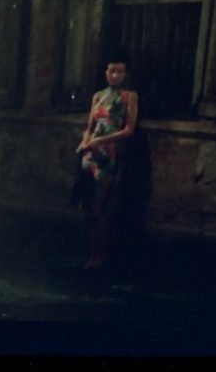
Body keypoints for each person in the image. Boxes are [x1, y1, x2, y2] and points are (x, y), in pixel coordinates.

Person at [75, 55, 139, 271]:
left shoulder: (128, 96)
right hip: (90, 155)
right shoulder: (98, 96)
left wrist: (100, 141)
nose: (115, 75)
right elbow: (90, 127)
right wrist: (84, 142)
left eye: (120, 71)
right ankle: (91, 255)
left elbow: (129, 130)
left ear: (125, 74)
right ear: (105, 72)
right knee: (88, 208)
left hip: (109, 155)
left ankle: (101, 256)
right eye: (112, 71)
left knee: (99, 207)